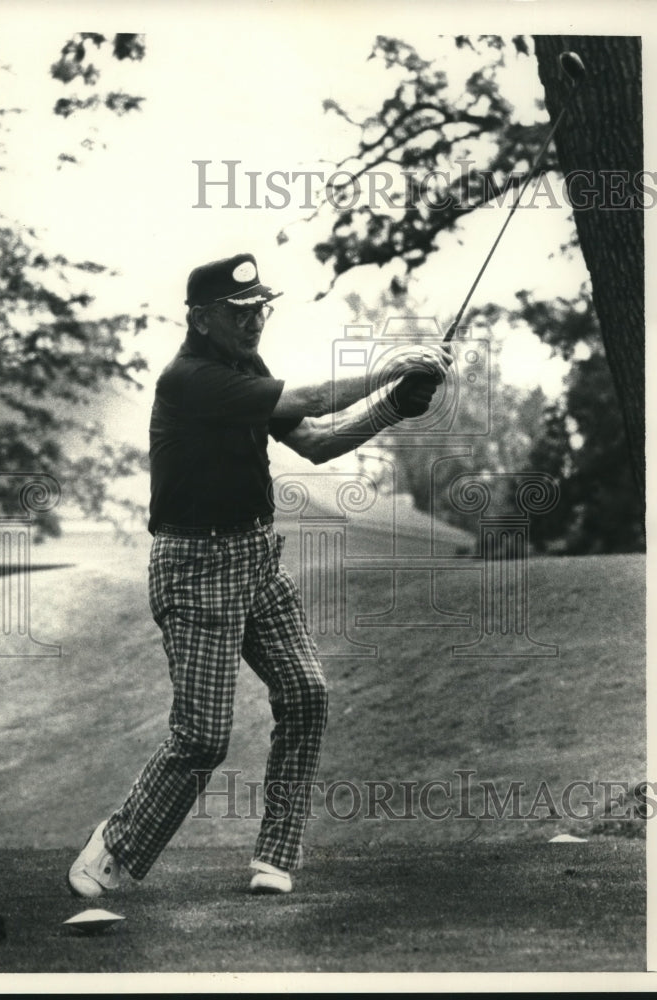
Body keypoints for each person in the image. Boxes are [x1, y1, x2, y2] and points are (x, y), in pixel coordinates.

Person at [67, 251, 453, 897]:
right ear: (201, 319)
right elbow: (313, 397)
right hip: (194, 569)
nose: (254, 322)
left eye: (260, 309)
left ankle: (274, 855)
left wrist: (396, 405)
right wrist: (391, 369)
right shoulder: (189, 378)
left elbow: (318, 440)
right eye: (239, 311)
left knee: (306, 694)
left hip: (254, 556)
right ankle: (116, 842)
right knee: (201, 739)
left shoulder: (244, 367)